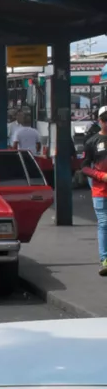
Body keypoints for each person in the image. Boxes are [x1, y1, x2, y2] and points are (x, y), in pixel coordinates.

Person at [81, 106, 107, 276]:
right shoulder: (92, 142)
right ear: (100, 121)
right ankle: (104, 260)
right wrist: (100, 175)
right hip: (100, 190)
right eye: (105, 120)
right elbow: (84, 167)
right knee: (104, 224)